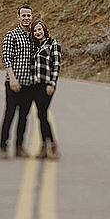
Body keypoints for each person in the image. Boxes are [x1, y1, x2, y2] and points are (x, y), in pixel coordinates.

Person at [0, 5, 34, 159]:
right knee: (10, 114)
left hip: (29, 84)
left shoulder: (34, 36)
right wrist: (12, 79)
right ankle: (3, 147)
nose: (26, 18)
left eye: (29, 16)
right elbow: (6, 58)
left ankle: (19, 146)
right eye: (23, 16)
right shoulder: (11, 35)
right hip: (14, 83)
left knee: (24, 116)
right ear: (18, 17)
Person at [32, 20, 62, 160]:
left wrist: (52, 84)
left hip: (46, 84)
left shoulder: (53, 44)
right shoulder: (35, 46)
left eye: (39, 29)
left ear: (44, 30)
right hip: (35, 85)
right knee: (40, 115)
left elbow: (56, 66)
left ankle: (53, 146)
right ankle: (44, 147)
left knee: (42, 113)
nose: (38, 32)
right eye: (35, 31)